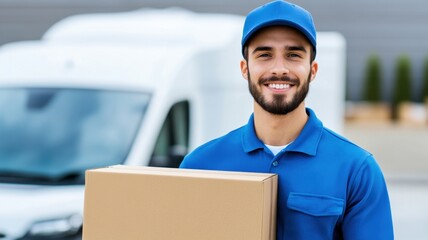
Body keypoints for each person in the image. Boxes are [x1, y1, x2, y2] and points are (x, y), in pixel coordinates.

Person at [179, 0, 394, 239]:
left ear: (312, 70)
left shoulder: (356, 170)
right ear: (244, 68)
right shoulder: (200, 167)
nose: (279, 68)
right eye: (264, 54)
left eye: (293, 54)